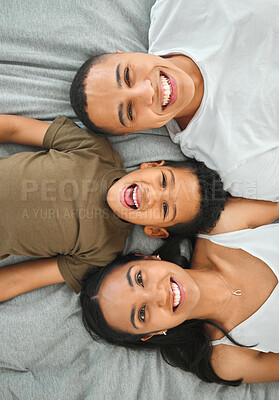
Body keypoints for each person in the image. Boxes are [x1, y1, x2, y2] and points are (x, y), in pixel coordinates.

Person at [0, 113, 228, 301]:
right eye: (164, 181)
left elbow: (17, 280)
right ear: (150, 165)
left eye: (165, 209)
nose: (152, 195)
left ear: (155, 231)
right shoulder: (95, 150)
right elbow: (13, 128)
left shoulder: (103, 252)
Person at [70, 0, 279, 201]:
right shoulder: (234, 163)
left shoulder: (177, 7)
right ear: (134, 131)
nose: (147, 93)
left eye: (127, 75)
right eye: (130, 111)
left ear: (126, 53)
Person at [80, 221, 279, 386]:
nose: (159, 294)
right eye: (142, 313)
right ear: (154, 333)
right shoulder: (229, 363)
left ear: (148, 258)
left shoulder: (221, 226)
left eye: (140, 279)